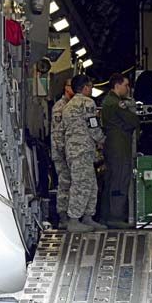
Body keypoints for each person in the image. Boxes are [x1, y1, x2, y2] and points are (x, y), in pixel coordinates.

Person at [62, 74, 107, 232]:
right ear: (86, 87)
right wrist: (102, 139)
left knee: (91, 184)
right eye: (90, 86)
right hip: (82, 150)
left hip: (73, 150)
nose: (91, 89)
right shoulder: (87, 103)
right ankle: (74, 220)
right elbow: (93, 125)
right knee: (81, 185)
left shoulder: (67, 106)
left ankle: (88, 217)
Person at [100, 73, 140, 228]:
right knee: (120, 180)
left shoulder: (108, 101)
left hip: (113, 146)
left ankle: (105, 216)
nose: (128, 88)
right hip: (119, 147)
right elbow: (133, 120)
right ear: (117, 86)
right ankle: (115, 217)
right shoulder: (115, 103)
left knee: (111, 180)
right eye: (126, 85)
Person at [50, 78, 74, 229]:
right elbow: (58, 134)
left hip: (69, 152)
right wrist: (64, 153)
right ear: (66, 88)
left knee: (71, 183)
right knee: (64, 183)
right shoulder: (60, 106)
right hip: (62, 153)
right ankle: (63, 216)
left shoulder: (71, 105)